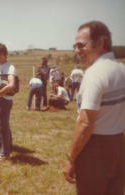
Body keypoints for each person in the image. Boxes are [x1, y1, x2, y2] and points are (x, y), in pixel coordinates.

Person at [63, 21, 125, 195]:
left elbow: (85, 123)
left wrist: (70, 159)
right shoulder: (121, 69)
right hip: (118, 145)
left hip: (95, 149)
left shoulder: (94, 74)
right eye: (75, 46)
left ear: (101, 43)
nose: (77, 51)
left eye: (81, 45)